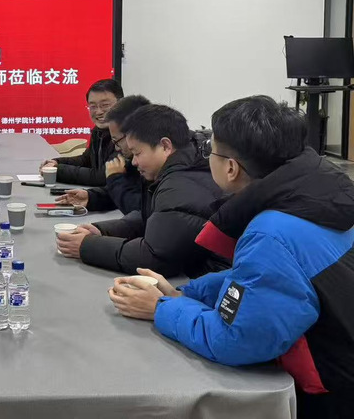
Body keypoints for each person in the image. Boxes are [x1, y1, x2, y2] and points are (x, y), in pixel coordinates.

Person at [108, 96, 354, 418]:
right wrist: (185, 294)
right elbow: (267, 279)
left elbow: (237, 340)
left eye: (209, 148)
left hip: (333, 395)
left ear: (231, 167)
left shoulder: (270, 233)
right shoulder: (323, 191)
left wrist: (161, 308)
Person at [57, 104, 227, 278]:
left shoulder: (181, 183)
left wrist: (87, 246)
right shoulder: (182, 164)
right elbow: (156, 217)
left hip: (207, 284)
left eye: (137, 153)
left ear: (165, 146)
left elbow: (154, 257)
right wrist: (102, 231)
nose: (134, 162)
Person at [56, 94, 150, 215]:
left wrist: (115, 178)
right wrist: (91, 197)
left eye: (105, 105)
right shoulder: (100, 133)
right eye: (93, 106)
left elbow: (139, 210)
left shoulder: (164, 171)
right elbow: (124, 191)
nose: (116, 147)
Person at [40, 79, 123, 187]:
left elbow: (103, 176)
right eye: (93, 106)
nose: (98, 112)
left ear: (121, 104)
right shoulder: (99, 131)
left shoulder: (126, 135)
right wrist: (56, 162)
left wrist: (58, 170)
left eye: (105, 105)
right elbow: (86, 160)